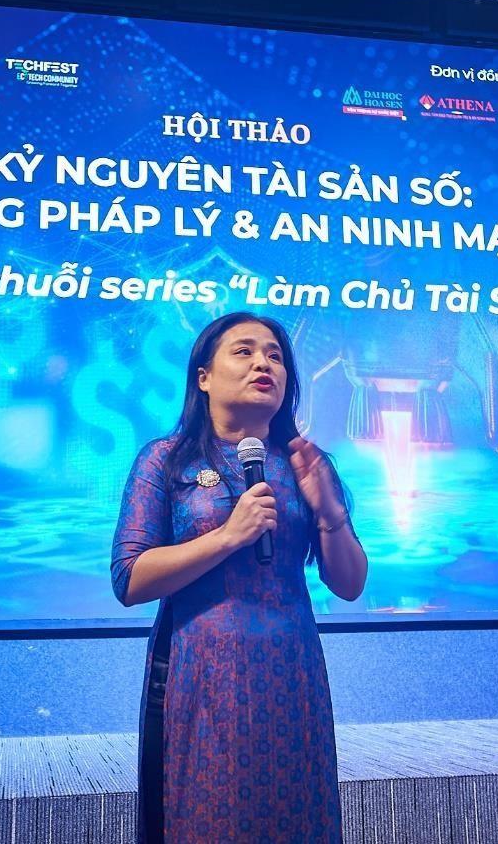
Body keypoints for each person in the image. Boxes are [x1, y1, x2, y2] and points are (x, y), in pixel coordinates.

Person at [111, 312, 369, 843]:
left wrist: (330, 511)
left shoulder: (305, 464)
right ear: (203, 377)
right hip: (199, 677)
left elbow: (349, 584)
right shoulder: (165, 460)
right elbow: (130, 579)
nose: (263, 364)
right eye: (244, 351)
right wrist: (229, 536)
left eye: (275, 355)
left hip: (292, 674)